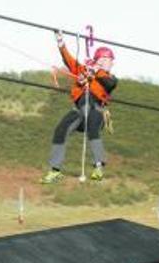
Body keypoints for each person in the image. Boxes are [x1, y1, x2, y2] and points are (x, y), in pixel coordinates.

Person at [41, 31, 118, 184]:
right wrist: (60, 42)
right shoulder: (83, 70)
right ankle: (55, 170)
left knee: (92, 127)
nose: (108, 62)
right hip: (79, 110)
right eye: (105, 59)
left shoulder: (108, 78)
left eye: (109, 60)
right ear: (98, 59)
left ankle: (98, 166)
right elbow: (69, 60)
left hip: (96, 110)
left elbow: (110, 84)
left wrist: (96, 71)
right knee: (61, 129)